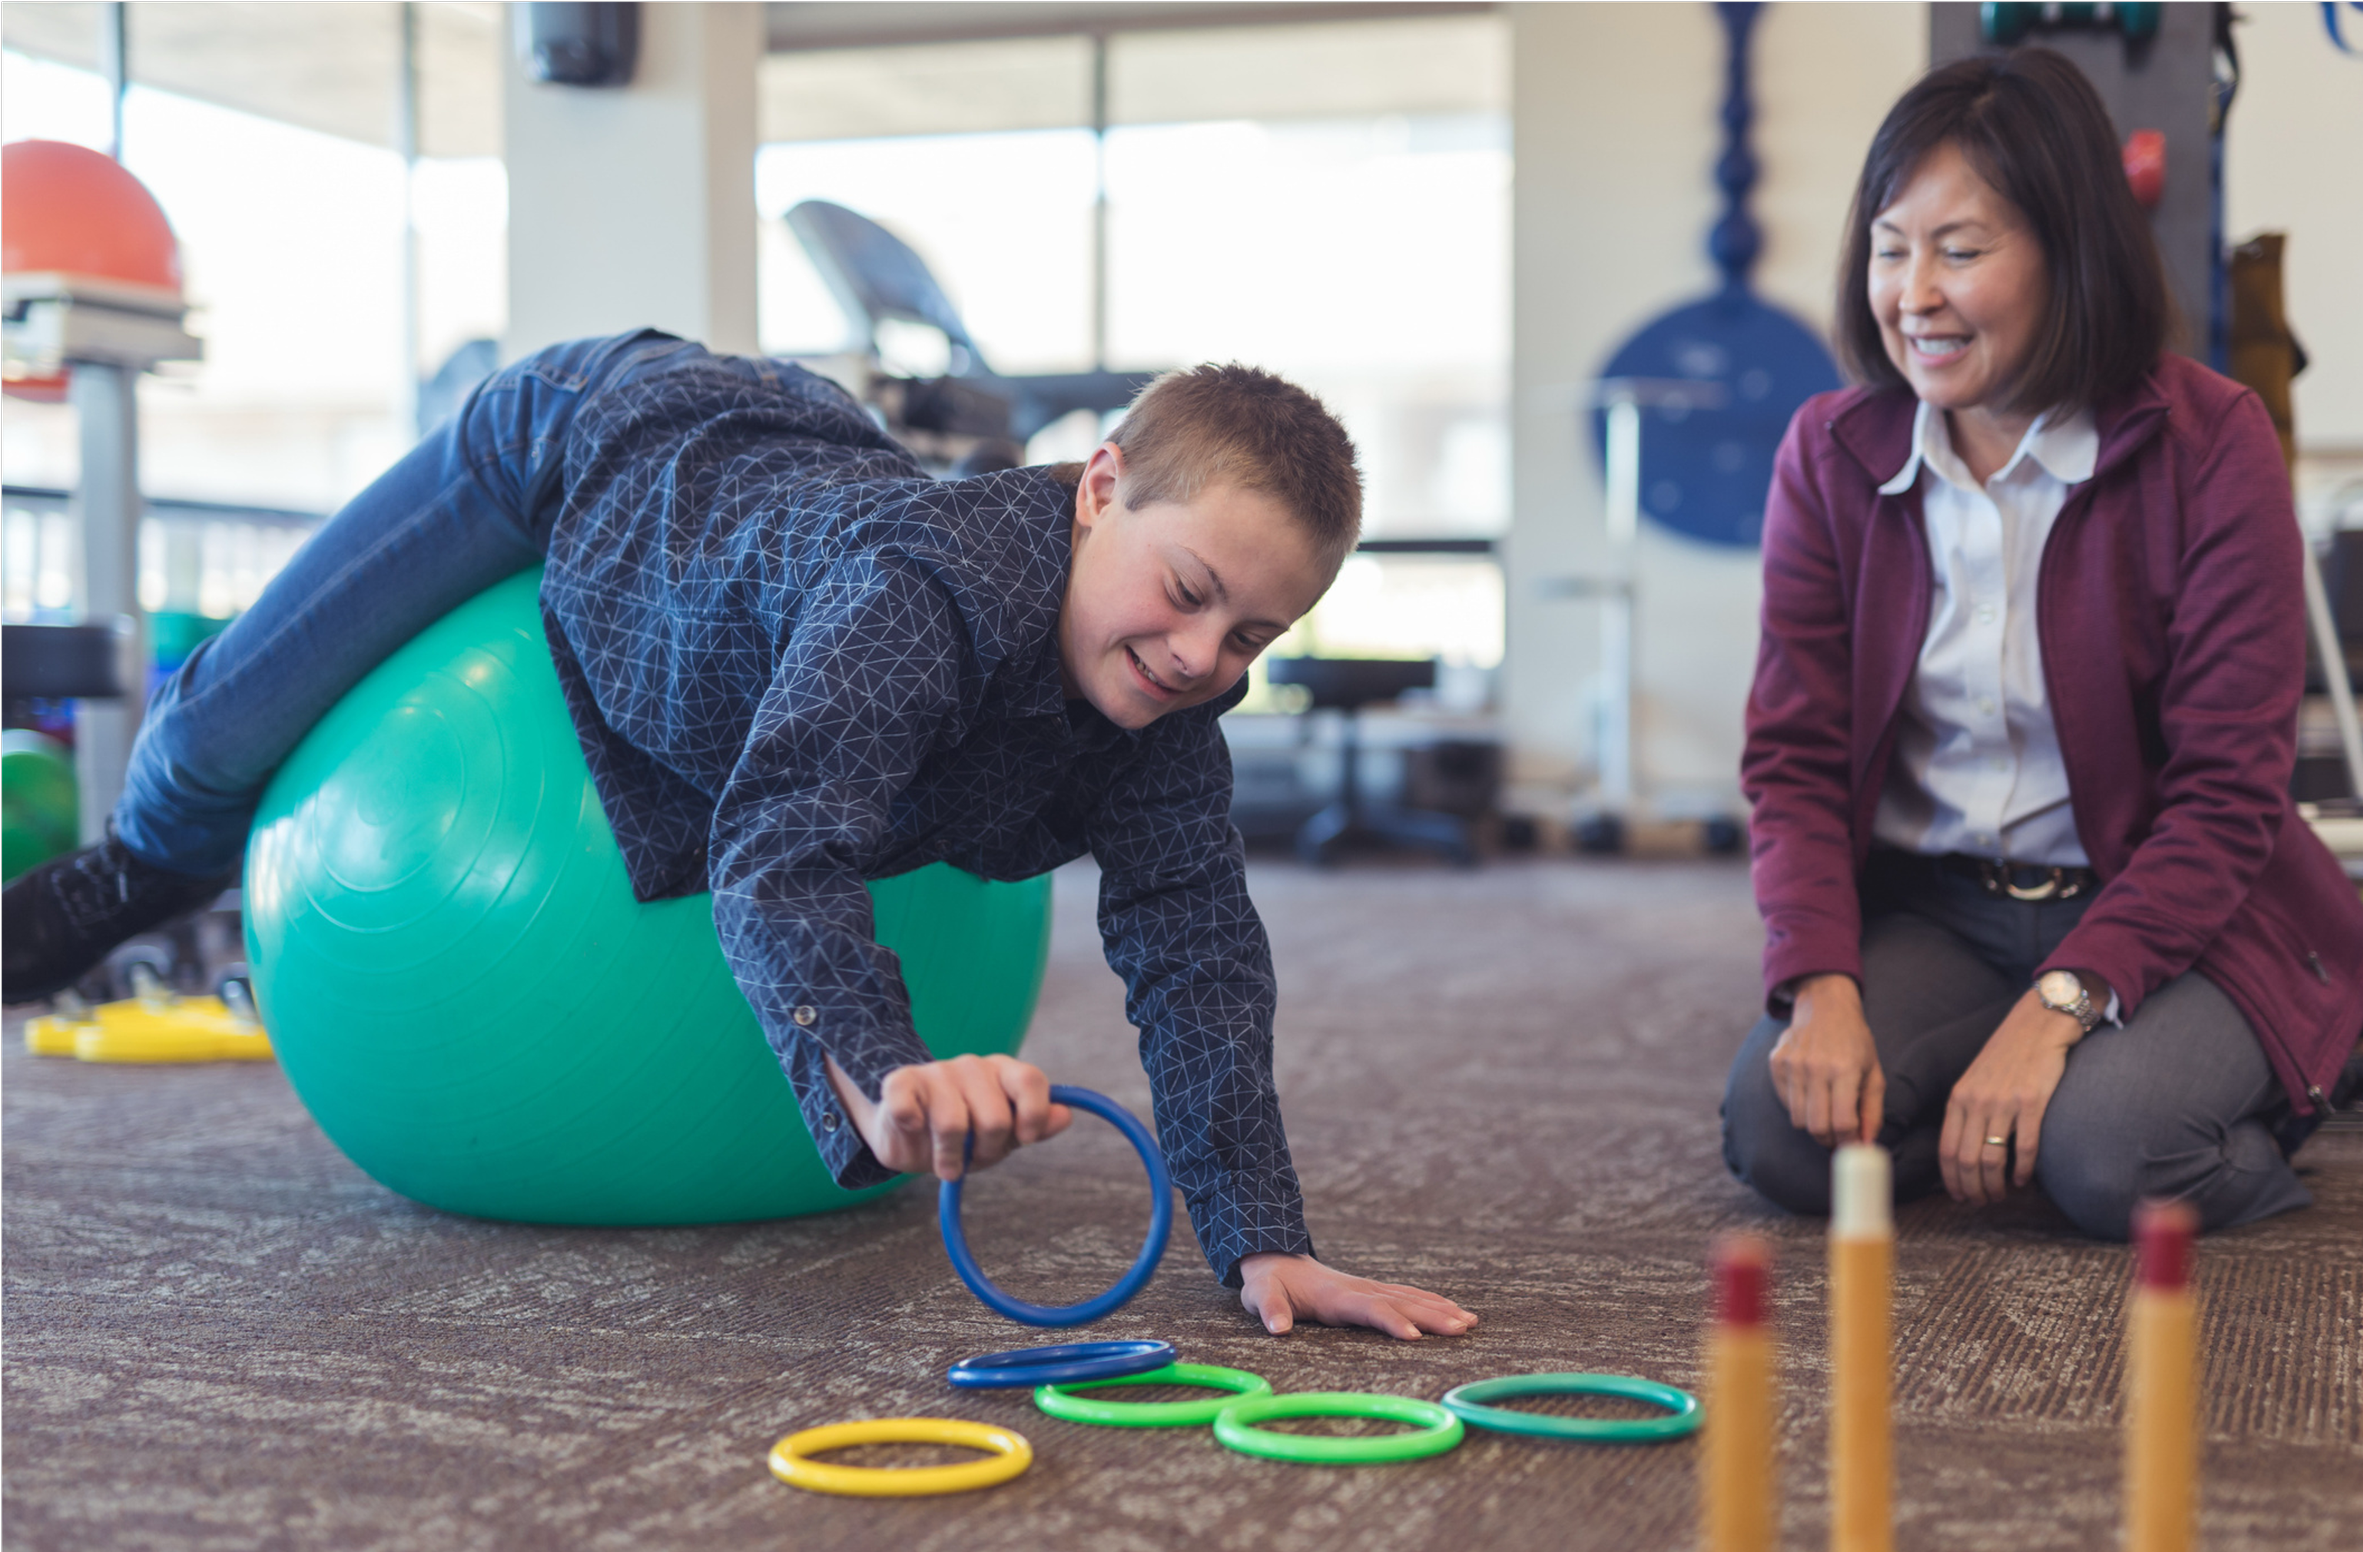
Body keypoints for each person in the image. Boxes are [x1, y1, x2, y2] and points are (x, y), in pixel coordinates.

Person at [1, 333, 1477, 1341]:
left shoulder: (1167, 703)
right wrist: (883, 1073)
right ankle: (122, 874)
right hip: (600, 433)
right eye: (1191, 589)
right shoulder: (918, 592)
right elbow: (778, 844)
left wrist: (1261, 1235)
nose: (1204, 654)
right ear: (1100, 490)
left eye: (1253, 635)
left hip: (789, 460)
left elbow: (1197, 946)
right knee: (210, 738)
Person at [1720, 50, 2363, 1239]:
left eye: (1959, 250)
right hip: (1941, 909)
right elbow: (1794, 760)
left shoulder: (2209, 443)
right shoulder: (1829, 452)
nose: (1913, 294)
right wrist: (1817, 980)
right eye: (1889, 248)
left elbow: (2227, 792)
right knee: (1779, 1136)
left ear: (2067, 250)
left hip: (2176, 914)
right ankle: (2014, 1092)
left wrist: (2061, 1005)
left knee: (2112, 1160)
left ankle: (2194, 1100)